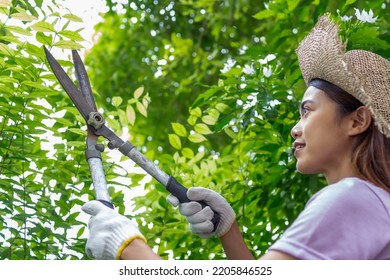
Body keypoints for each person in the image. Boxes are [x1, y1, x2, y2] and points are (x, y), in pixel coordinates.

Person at [81, 15, 390, 260]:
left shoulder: (352, 199)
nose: (295, 129)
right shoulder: (376, 205)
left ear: (357, 121)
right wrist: (229, 232)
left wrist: (128, 247)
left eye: (307, 111)